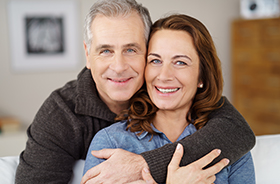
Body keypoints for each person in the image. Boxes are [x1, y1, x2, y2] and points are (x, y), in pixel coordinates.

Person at [15, 0, 255, 183]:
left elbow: (239, 131)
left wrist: (143, 164)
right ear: (88, 55)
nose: (119, 67)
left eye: (131, 49)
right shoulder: (65, 118)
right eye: (106, 50)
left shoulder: (172, 92)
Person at [83, 13, 255, 184]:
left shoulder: (226, 141)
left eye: (180, 62)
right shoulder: (111, 142)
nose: (164, 76)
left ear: (202, 76)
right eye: (155, 61)